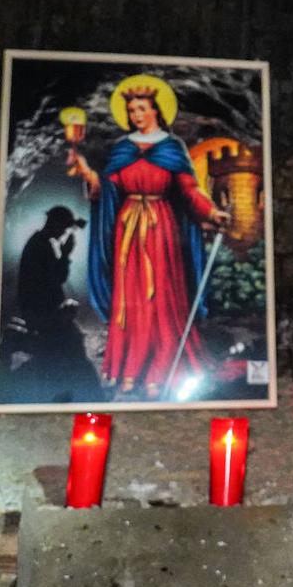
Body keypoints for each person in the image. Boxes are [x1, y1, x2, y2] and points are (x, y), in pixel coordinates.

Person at [69, 75, 228, 399]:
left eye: (141, 108)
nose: (135, 116)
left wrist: (211, 212)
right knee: (131, 302)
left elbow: (189, 189)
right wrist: (89, 176)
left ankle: (160, 369)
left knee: (160, 301)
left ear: (156, 110)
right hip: (128, 231)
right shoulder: (122, 149)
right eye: (131, 111)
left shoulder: (172, 148)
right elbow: (108, 188)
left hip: (161, 230)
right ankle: (129, 368)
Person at [0, 205, 103, 404]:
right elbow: (55, 278)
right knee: (63, 352)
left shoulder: (42, 243)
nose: (63, 233)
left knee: (63, 351)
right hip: (44, 315)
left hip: (45, 312)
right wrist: (65, 255)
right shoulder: (40, 245)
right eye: (63, 228)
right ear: (53, 223)